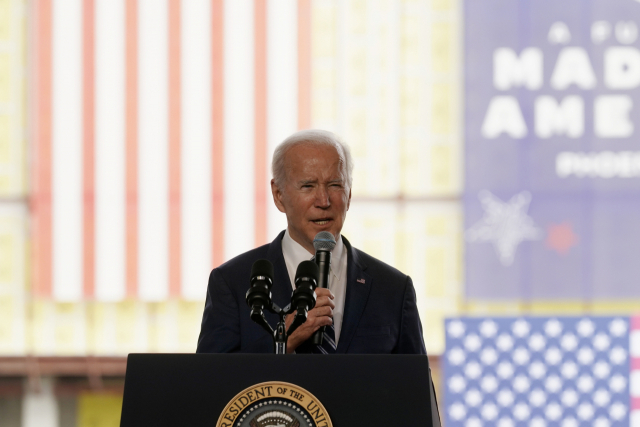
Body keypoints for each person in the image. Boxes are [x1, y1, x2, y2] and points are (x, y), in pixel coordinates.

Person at [196, 129, 440, 425]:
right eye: (308, 185)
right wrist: (284, 342)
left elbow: (417, 404)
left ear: (349, 193)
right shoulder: (232, 282)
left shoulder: (393, 288)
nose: (323, 200)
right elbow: (209, 394)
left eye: (335, 184)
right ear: (279, 194)